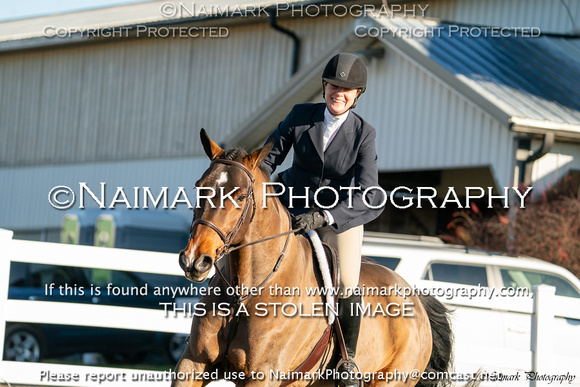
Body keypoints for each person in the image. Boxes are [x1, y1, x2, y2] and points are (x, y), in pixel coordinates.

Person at [261, 52, 384, 387]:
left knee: (346, 282)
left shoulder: (364, 134)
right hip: (291, 206)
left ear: (357, 94)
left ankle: (347, 360)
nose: (338, 93)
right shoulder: (301, 116)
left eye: (347, 89)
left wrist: (326, 215)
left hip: (337, 216)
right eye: (333, 85)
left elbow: (368, 192)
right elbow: (267, 159)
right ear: (324, 86)